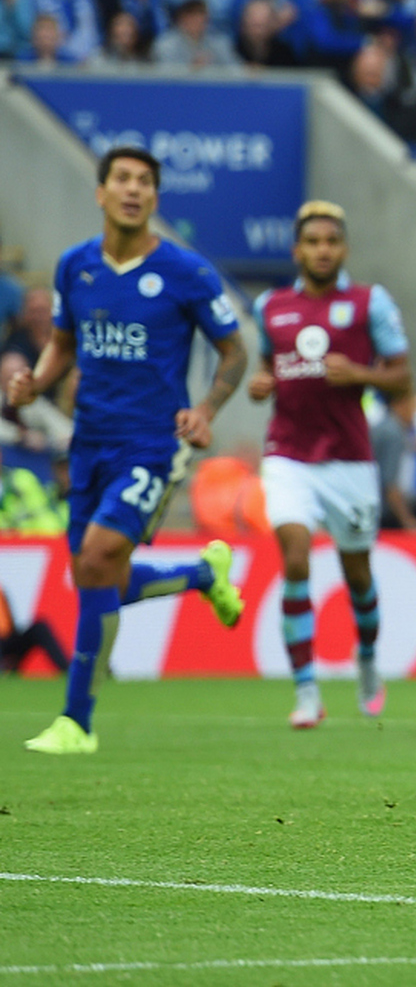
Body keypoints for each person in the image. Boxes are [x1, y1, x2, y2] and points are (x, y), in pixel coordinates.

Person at [8, 147, 247, 755]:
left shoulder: (186, 272)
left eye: (145, 182)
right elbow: (62, 342)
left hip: (152, 445)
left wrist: (206, 411)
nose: (133, 190)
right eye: (122, 179)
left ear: (155, 198)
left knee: (94, 560)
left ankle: (78, 721)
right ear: (102, 192)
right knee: (95, 578)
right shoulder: (75, 268)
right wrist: (35, 379)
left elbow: (235, 352)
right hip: (88, 442)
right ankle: (200, 574)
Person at [247, 202, 411, 729]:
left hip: (349, 460)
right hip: (289, 455)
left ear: (343, 249)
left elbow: (403, 377)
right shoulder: (269, 306)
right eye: (313, 242)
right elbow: (267, 369)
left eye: (332, 242)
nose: (323, 250)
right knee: (295, 559)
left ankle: (365, 660)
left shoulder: (369, 303)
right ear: (297, 250)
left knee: (357, 576)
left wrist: (361, 374)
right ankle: (306, 692)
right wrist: (260, 384)